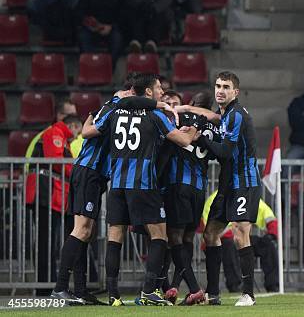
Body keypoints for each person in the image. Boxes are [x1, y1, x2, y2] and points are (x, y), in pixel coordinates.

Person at [52, 78, 167, 304]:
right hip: (90, 171)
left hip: (92, 173)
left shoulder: (117, 108)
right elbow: (87, 132)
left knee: (88, 232)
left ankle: (81, 290)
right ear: (131, 93)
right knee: (81, 230)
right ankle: (61, 287)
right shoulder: (115, 105)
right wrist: (156, 105)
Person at [91, 74, 200, 306]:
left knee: (115, 236)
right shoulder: (156, 115)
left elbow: (93, 128)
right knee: (160, 234)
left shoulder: (115, 111)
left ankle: (113, 295)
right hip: (143, 184)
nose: (162, 91)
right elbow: (182, 141)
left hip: (117, 184)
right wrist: (192, 131)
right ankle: (149, 291)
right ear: (148, 92)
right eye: (159, 88)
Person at [197, 71, 261, 307]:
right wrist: (187, 110)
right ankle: (213, 293)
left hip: (245, 181)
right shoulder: (224, 115)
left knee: (240, 233)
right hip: (227, 183)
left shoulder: (236, 115)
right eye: (217, 86)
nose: (220, 90)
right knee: (210, 234)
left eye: (226, 86)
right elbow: (211, 118)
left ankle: (248, 294)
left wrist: (200, 139)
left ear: (236, 92)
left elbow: (223, 152)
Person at [156, 90, 220, 306]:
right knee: (186, 239)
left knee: (172, 238)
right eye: (168, 103)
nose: (171, 106)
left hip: (178, 186)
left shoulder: (174, 120)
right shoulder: (207, 123)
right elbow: (215, 120)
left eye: (175, 103)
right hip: (199, 188)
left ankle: (192, 288)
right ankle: (173, 285)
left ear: (187, 104)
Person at [25, 114, 82, 296]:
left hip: (50, 195)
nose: (77, 135)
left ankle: (48, 285)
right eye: (77, 130)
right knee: (45, 242)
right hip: (44, 194)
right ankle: (44, 287)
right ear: (72, 126)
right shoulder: (55, 133)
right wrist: (77, 172)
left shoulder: (60, 137)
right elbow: (57, 162)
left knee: (49, 243)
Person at [202, 191, 280, 293]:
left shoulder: (247, 195)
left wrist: (272, 234)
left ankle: (272, 285)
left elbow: (267, 215)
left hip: (241, 236)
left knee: (268, 244)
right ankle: (235, 285)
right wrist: (232, 232)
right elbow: (209, 232)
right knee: (229, 245)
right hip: (220, 240)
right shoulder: (214, 199)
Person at [75, 0, 124, 70]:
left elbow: (125, 15)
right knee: (82, 37)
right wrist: (92, 24)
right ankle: (89, 69)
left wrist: (111, 27)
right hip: (92, 28)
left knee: (117, 39)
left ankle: (108, 71)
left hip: (112, 28)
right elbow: (79, 11)